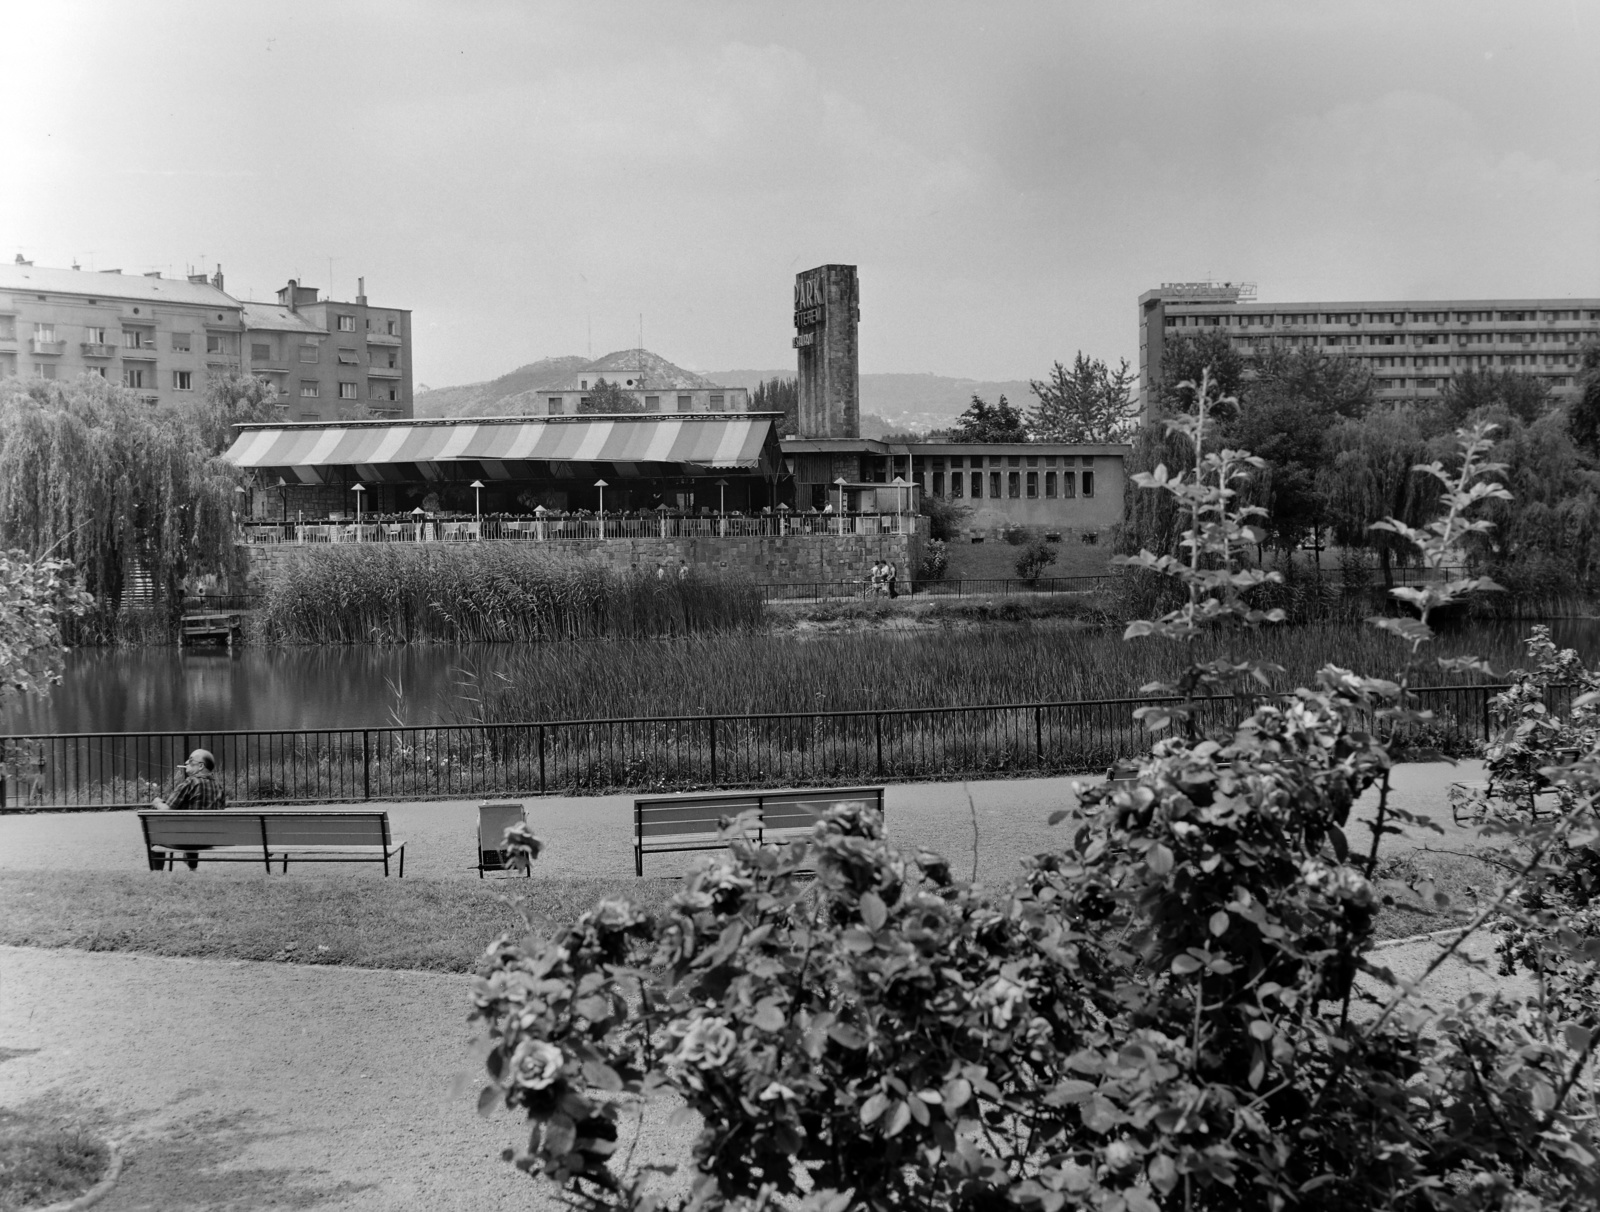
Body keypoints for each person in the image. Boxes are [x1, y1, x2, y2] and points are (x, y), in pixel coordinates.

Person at [151, 749, 228, 870]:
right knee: (195, 826)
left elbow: (166, 809)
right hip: (209, 840)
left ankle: (158, 873)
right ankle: (192, 868)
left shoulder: (189, 783)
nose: (186, 762)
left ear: (201, 766)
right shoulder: (218, 787)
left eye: (191, 760)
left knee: (155, 834)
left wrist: (157, 802)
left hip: (186, 840)